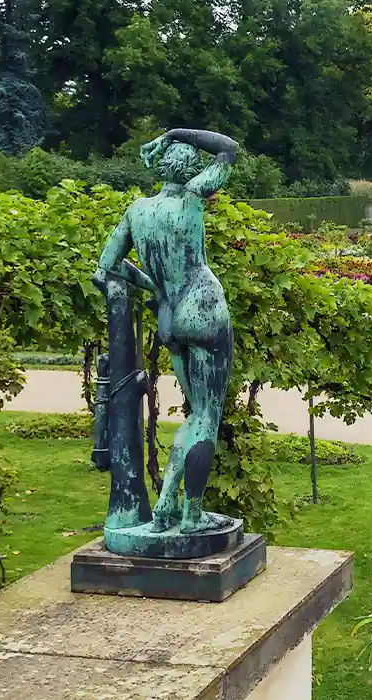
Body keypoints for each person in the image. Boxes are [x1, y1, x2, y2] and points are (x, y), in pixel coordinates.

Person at [95, 128, 238, 534]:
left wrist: (155, 286)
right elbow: (228, 149)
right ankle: (191, 515)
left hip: (170, 317)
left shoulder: (136, 210)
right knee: (207, 419)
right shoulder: (193, 197)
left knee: (195, 417)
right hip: (204, 308)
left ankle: (163, 507)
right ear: (192, 169)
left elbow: (108, 265)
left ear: (160, 168)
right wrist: (174, 133)